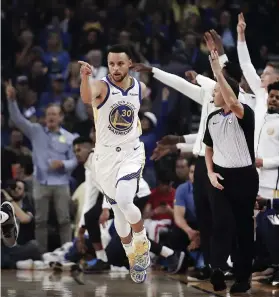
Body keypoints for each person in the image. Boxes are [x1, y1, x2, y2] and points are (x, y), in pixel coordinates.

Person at [79, 44, 150, 283]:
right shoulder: (101, 85)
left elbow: (145, 93)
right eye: (111, 64)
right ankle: (133, 255)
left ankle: (142, 243)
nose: (116, 68)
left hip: (131, 153)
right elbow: (87, 97)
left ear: (130, 63)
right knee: (119, 217)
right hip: (105, 158)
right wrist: (85, 78)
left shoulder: (140, 87)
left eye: (120, 63)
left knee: (125, 200)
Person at [203, 50, 259, 293]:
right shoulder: (212, 118)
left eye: (216, 91)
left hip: (245, 178)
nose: (214, 94)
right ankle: (216, 268)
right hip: (221, 177)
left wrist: (218, 72)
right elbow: (208, 147)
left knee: (243, 228)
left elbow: (233, 101)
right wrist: (210, 172)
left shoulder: (244, 113)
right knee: (221, 222)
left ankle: (243, 276)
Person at [6, 80, 78, 252]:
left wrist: (63, 163)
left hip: (61, 183)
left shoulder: (69, 137)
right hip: (41, 182)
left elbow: (75, 160)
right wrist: (12, 100)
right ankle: (41, 254)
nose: (51, 117)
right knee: (40, 221)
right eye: (48, 114)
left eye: (55, 114)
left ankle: (67, 251)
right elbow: (17, 119)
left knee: (64, 220)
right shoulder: (36, 131)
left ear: (61, 117)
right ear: (45, 117)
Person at [253, 81, 279, 285]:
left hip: (276, 188)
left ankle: (276, 267)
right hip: (260, 185)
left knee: (274, 227)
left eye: (278, 98)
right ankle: (268, 265)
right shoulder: (262, 120)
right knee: (262, 228)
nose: (274, 100)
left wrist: (265, 162)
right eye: (272, 96)